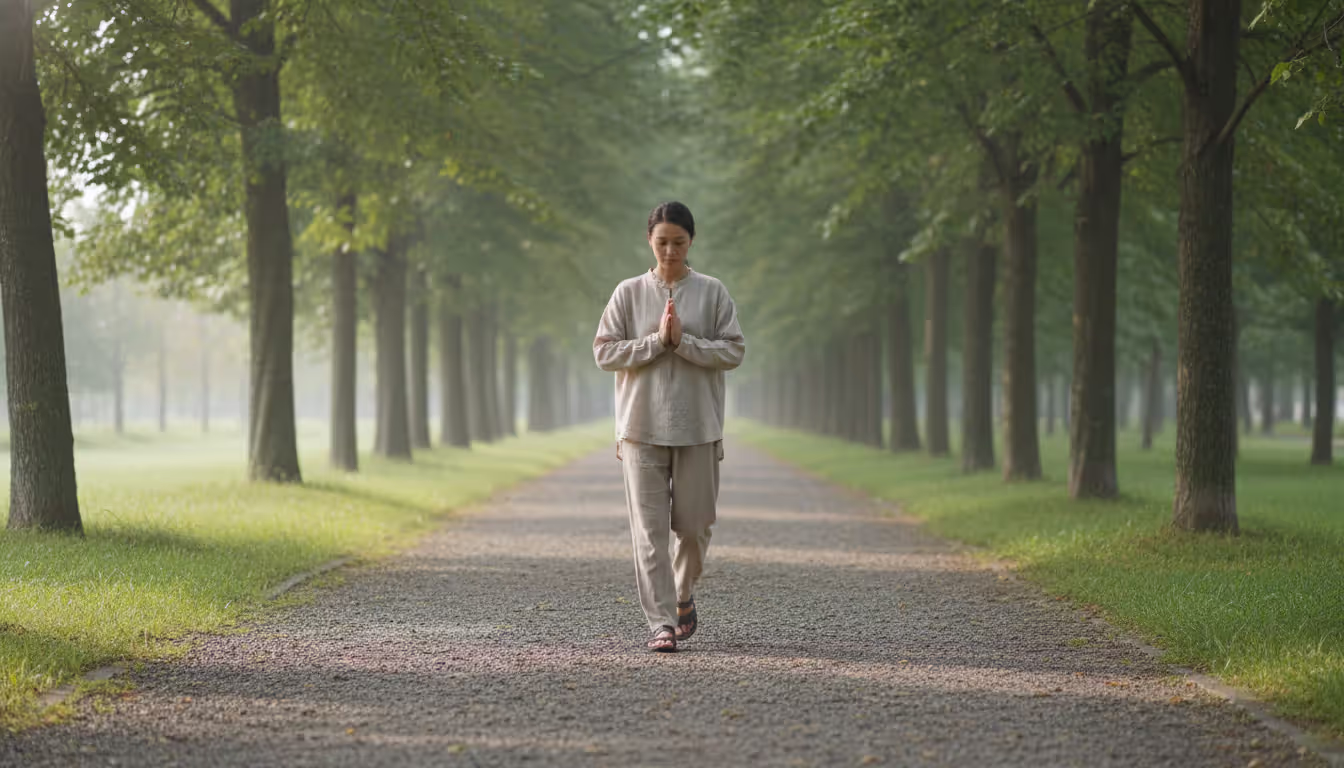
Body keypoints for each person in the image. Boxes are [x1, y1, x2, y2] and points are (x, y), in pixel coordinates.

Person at [593, 201, 746, 653]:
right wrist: (656, 343)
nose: (670, 251)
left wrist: (686, 344)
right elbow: (604, 352)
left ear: (691, 241)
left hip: (699, 426)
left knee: (695, 527)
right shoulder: (628, 293)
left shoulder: (713, 292)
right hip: (640, 427)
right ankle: (660, 623)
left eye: (678, 242)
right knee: (649, 530)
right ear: (649, 242)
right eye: (662, 242)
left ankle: (682, 595)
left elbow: (734, 351)